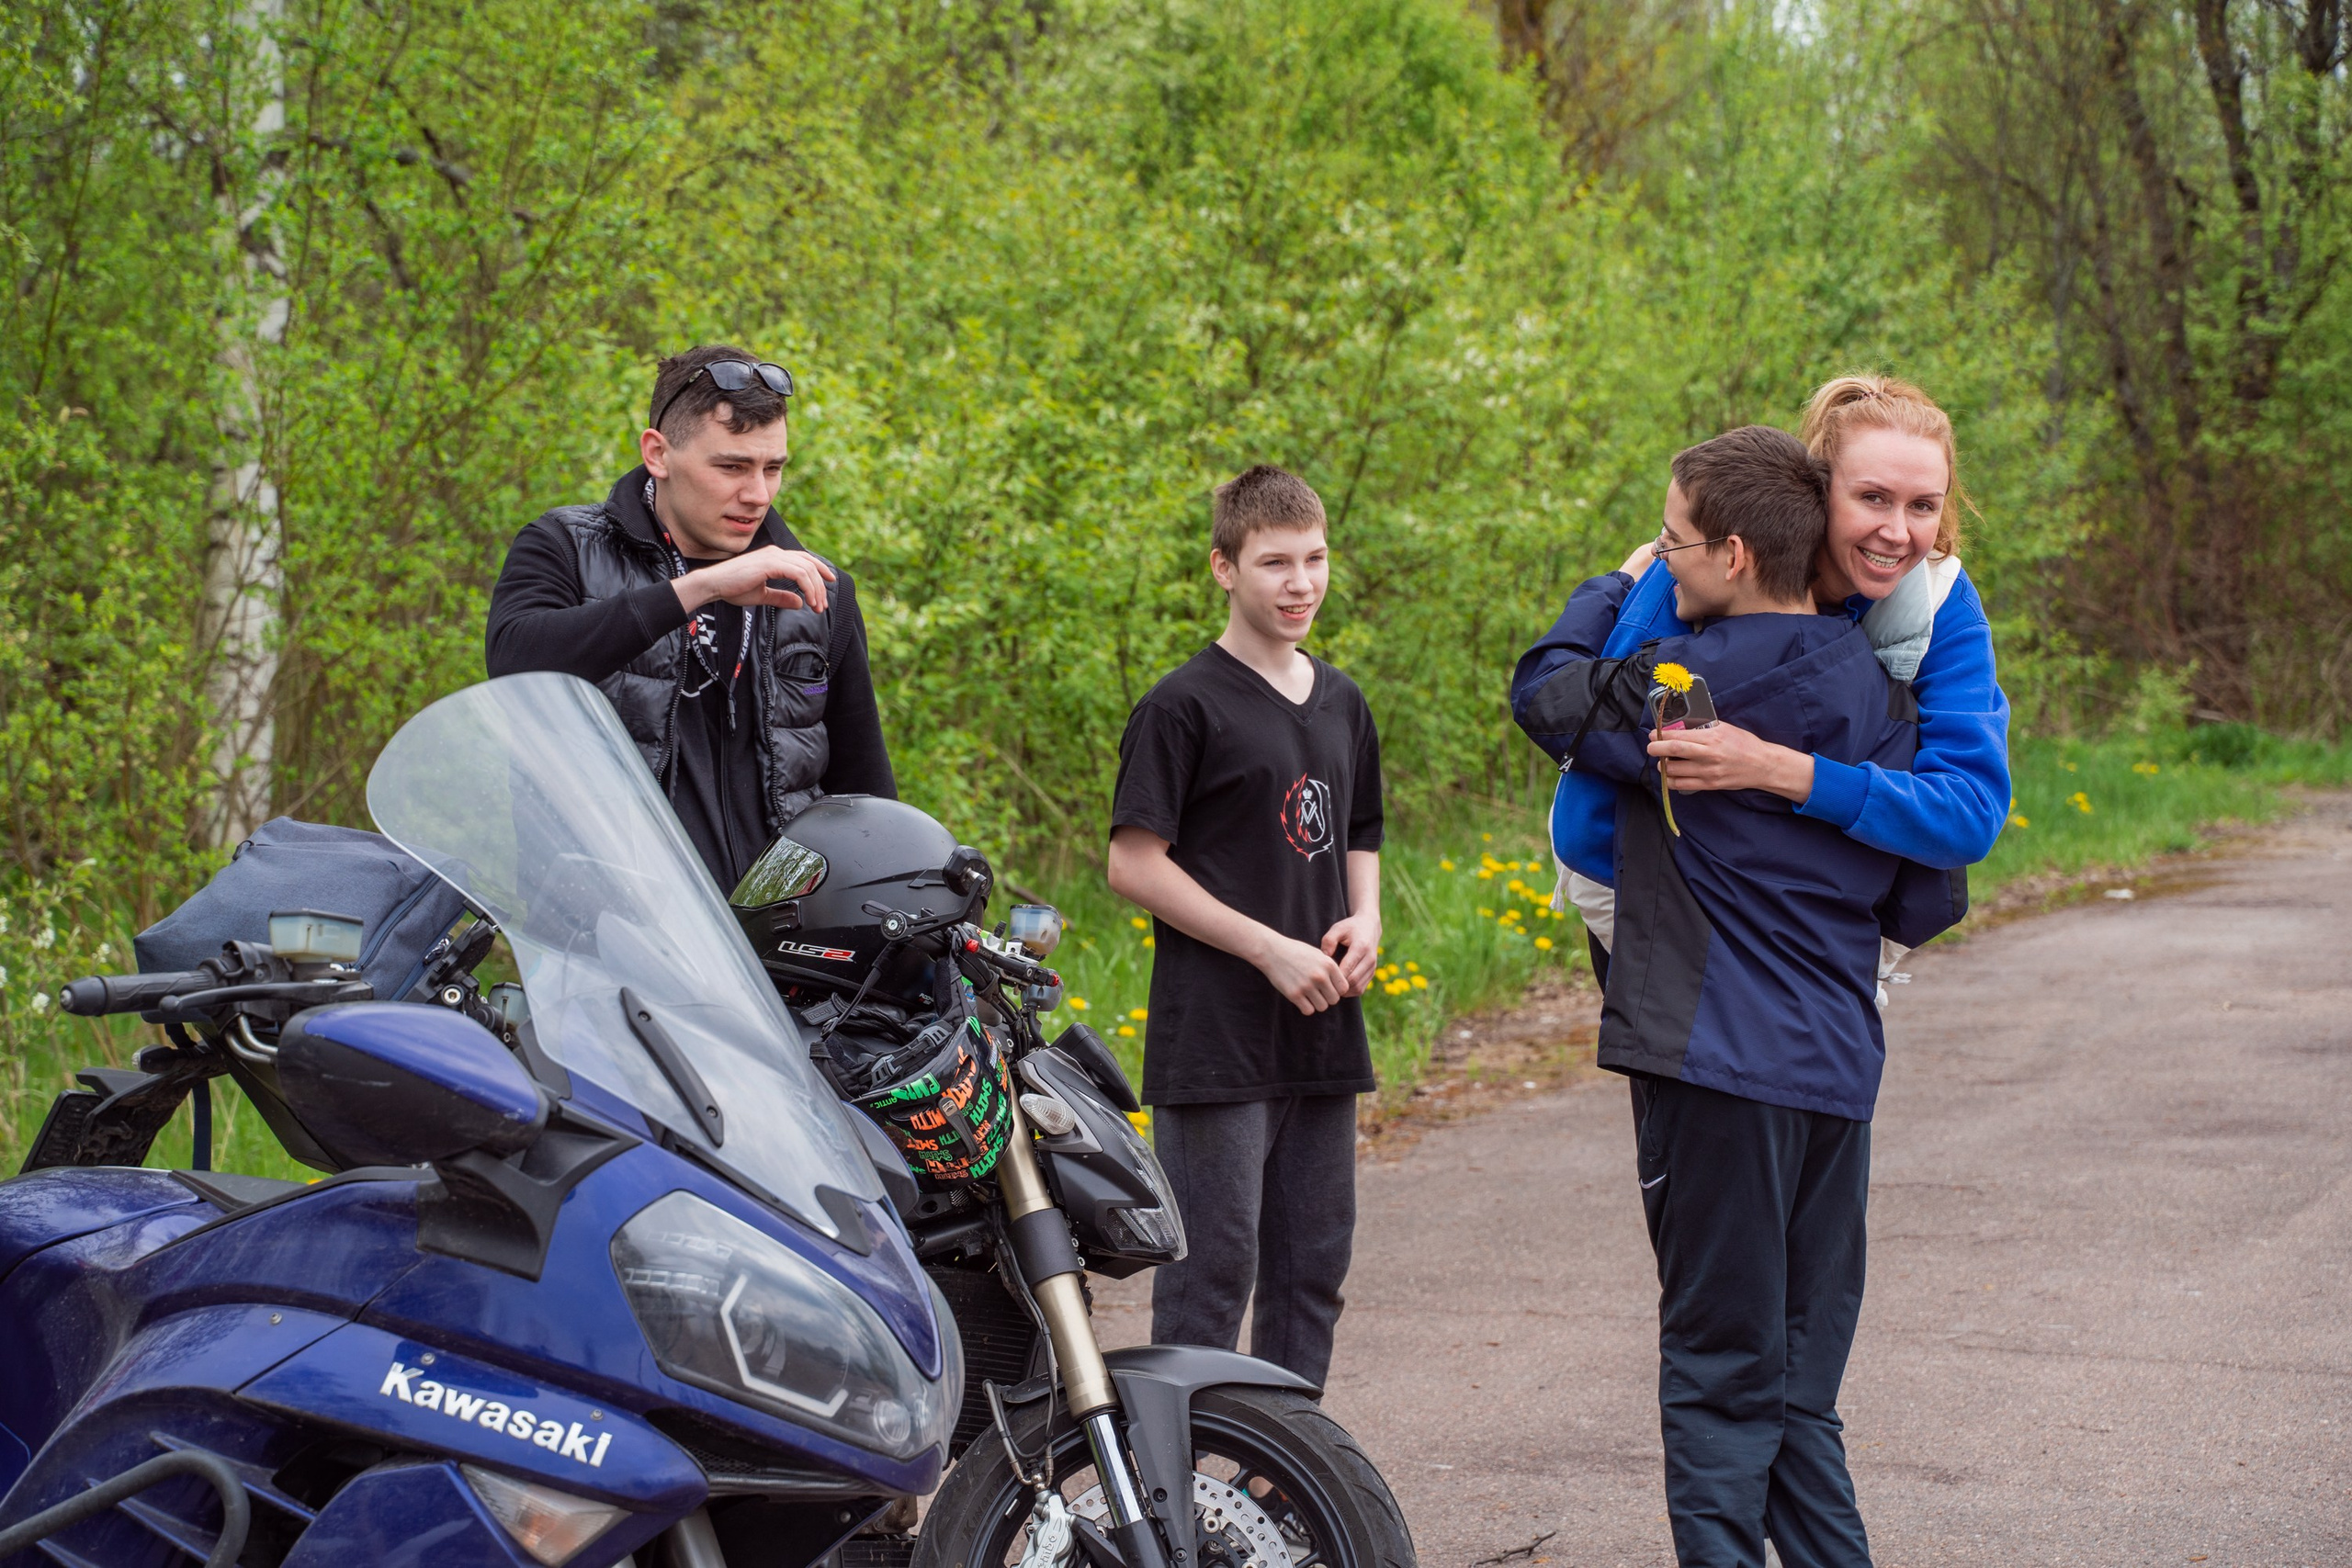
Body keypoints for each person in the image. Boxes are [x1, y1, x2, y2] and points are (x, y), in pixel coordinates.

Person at [1516, 425, 1954, 1568]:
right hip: (1836, 1070)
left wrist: (1613, 585)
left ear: (1733, 555)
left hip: (1715, 1067)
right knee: (1797, 1393)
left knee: (1718, 1376)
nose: (1661, 560)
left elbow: (1546, 694)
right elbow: (1930, 898)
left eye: (1671, 546)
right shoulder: (1877, 692)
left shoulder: (1684, 685)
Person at [1513, 375, 2008, 987]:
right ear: (1819, 491)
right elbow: (1600, 718)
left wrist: (1778, 767)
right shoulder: (1706, 572)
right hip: (1660, 907)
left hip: (1825, 925)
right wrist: (1618, 584)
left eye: (1923, 506)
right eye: (1873, 498)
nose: (1899, 532)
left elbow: (1968, 811)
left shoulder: (1941, 605)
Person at [1104, 465, 1384, 1389]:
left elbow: (1360, 831)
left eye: (1313, 559)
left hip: (1322, 1025)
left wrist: (1366, 919)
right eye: (1273, 563)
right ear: (1224, 568)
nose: (1299, 583)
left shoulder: (1342, 700)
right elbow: (1133, 864)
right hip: (1217, 1037)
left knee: (1313, 1277)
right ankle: (1173, 1506)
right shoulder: (1182, 705)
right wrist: (1267, 948)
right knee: (1210, 1282)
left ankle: (1285, 1492)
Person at [485, 344, 895, 890]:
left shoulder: (820, 590)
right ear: (658, 453)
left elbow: (865, 796)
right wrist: (698, 589)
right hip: (609, 930)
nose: (757, 495)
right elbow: (514, 662)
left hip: (776, 943)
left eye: (773, 469)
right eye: (731, 466)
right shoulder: (564, 548)